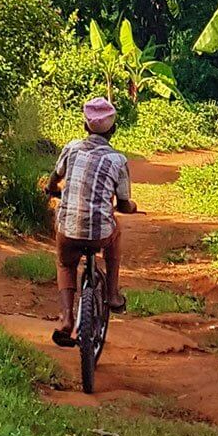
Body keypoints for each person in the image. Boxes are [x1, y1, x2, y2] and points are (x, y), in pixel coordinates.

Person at [44, 97, 137, 346]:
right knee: (116, 231)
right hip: (100, 231)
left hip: (69, 229)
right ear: (113, 130)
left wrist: (51, 188)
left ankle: (66, 317)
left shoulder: (72, 148)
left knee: (65, 264)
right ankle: (114, 294)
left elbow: (55, 178)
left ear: (85, 126)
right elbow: (125, 202)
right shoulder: (118, 160)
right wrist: (130, 207)